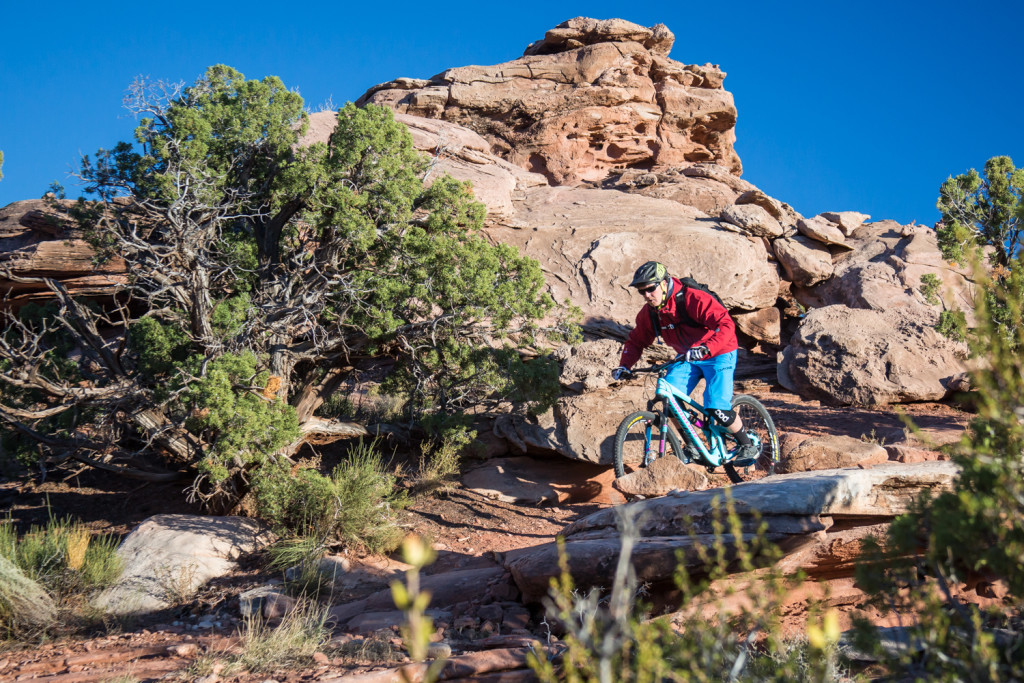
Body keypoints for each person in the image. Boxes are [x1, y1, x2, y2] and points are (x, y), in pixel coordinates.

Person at [611, 261, 757, 460]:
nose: (646, 295)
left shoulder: (692, 298)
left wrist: (707, 347)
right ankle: (692, 445)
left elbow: (725, 324)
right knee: (669, 401)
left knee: (716, 406)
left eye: (650, 289)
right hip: (688, 357)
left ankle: (747, 444)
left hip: (719, 352)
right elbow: (636, 341)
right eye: (641, 292)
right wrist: (624, 366)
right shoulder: (651, 313)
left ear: (664, 283)